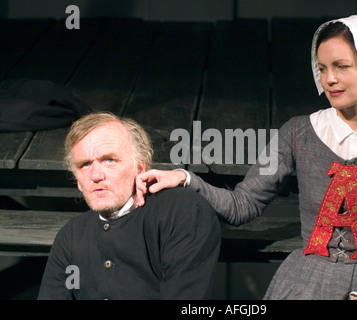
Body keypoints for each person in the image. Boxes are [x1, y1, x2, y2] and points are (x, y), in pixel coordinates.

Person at [135, 14, 357, 300]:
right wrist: (185, 179)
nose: (330, 79)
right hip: (307, 282)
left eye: (341, 66)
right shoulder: (298, 132)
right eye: (322, 68)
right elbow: (243, 204)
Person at [38, 112, 221, 300]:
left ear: (140, 169)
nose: (95, 175)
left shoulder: (181, 212)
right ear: (77, 180)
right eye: (84, 164)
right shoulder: (71, 235)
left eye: (109, 160)